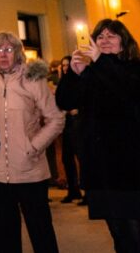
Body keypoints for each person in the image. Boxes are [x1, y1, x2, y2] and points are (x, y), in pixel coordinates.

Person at [55, 19, 140, 253]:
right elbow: (65, 101)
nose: (104, 40)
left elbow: (128, 92)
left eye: (111, 36)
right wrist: (73, 75)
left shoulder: (137, 68)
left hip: (127, 164)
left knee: (139, 230)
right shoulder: (92, 71)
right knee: (117, 230)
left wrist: (100, 61)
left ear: (124, 43)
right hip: (98, 164)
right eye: (100, 37)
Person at [0, 32, 64, 253]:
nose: (3, 54)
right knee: (3, 235)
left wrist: (33, 147)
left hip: (31, 171)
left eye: (9, 49)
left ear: (18, 53)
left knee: (41, 232)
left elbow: (56, 118)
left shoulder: (33, 78)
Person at [56, 54, 84, 205]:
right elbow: (60, 100)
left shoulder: (79, 80)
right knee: (67, 158)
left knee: (82, 157)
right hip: (67, 123)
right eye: (63, 65)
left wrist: (78, 110)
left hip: (78, 122)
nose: (66, 68)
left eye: (68, 65)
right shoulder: (63, 82)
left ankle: (88, 193)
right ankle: (73, 190)